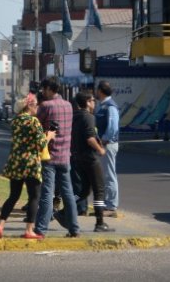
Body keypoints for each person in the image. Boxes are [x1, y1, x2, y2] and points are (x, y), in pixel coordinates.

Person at [0, 93, 55, 240]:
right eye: (36, 105)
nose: (38, 108)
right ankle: (29, 230)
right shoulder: (34, 122)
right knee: (34, 197)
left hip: (15, 162)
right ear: (29, 106)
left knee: (13, 196)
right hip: (31, 163)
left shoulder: (15, 121)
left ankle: (0, 225)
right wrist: (50, 136)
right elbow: (41, 144)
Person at [33, 76, 81, 238]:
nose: (43, 92)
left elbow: (35, 126)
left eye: (44, 89)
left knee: (47, 194)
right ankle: (74, 229)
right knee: (68, 193)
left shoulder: (45, 106)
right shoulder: (69, 105)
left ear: (49, 89)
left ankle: (41, 229)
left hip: (49, 157)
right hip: (65, 156)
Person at [71, 91, 115, 233]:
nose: (94, 103)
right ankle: (99, 222)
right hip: (90, 158)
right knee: (99, 190)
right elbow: (90, 138)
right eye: (92, 101)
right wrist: (100, 150)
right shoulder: (88, 117)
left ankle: (66, 208)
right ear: (87, 102)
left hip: (79, 158)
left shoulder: (76, 116)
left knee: (84, 191)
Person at [95, 80, 121, 216]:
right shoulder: (103, 105)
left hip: (108, 145)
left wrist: (103, 140)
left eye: (97, 90)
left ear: (100, 91)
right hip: (103, 144)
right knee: (104, 175)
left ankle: (111, 205)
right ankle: (106, 203)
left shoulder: (110, 106)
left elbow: (113, 127)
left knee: (109, 174)